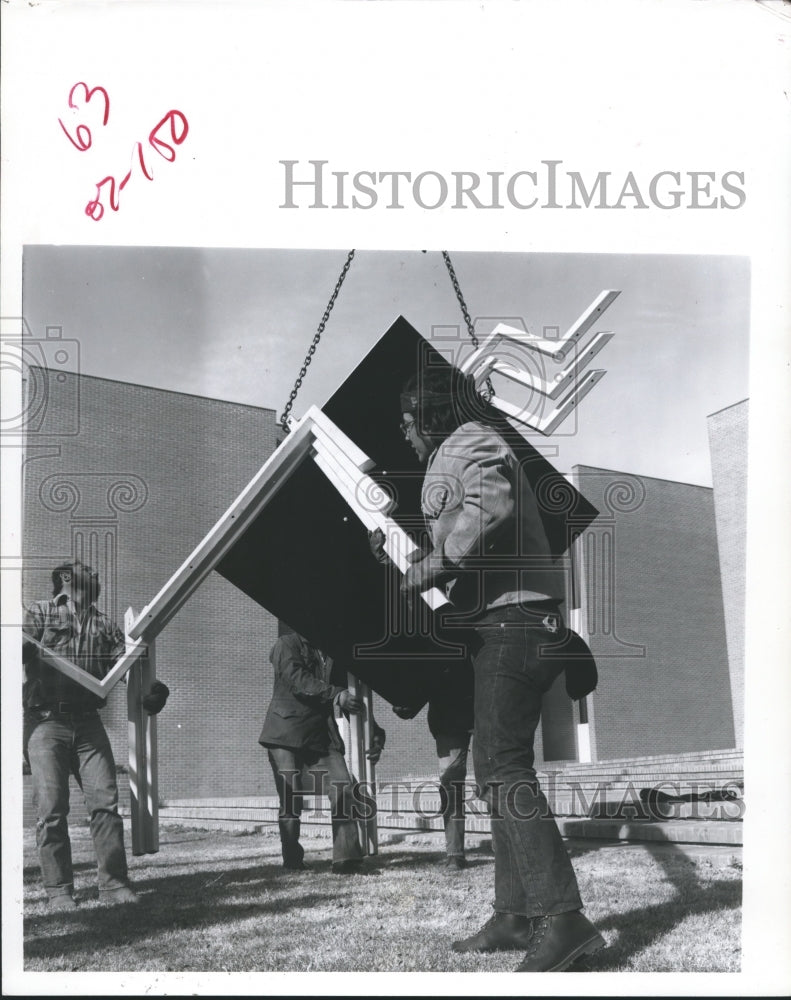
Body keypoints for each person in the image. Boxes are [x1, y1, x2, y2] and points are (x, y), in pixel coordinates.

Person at [396, 367, 605, 972]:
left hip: (516, 625)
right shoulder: (471, 443)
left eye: (408, 423)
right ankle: (517, 915)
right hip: (511, 623)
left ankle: (563, 918)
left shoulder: (471, 441)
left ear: (428, 416)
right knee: (496, 762)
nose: (407, 437)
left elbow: (492, 508)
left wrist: (432, 565)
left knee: (501, 766)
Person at [22, 560, 169, 909]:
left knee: (105, 803)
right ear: (66, 578)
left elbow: (129, 664)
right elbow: (15, 650)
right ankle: (59, 891)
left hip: (88, 723)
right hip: (45, 723)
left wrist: (155, 689)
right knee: (52, 809)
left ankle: (114, 885)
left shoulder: (104, 624)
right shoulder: (40, 612)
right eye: (89, 571)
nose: (98, 575)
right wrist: (21, 647)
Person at [259, 631, 385, 874]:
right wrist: (336, 696)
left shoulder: (333, 652)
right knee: (290, 798)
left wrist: (374, 731)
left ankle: (346, 860)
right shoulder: (286, 644)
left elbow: (345, 694)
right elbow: (298, 680)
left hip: (321, 737)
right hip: (285, 734)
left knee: (344, 785)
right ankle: (292, 860)